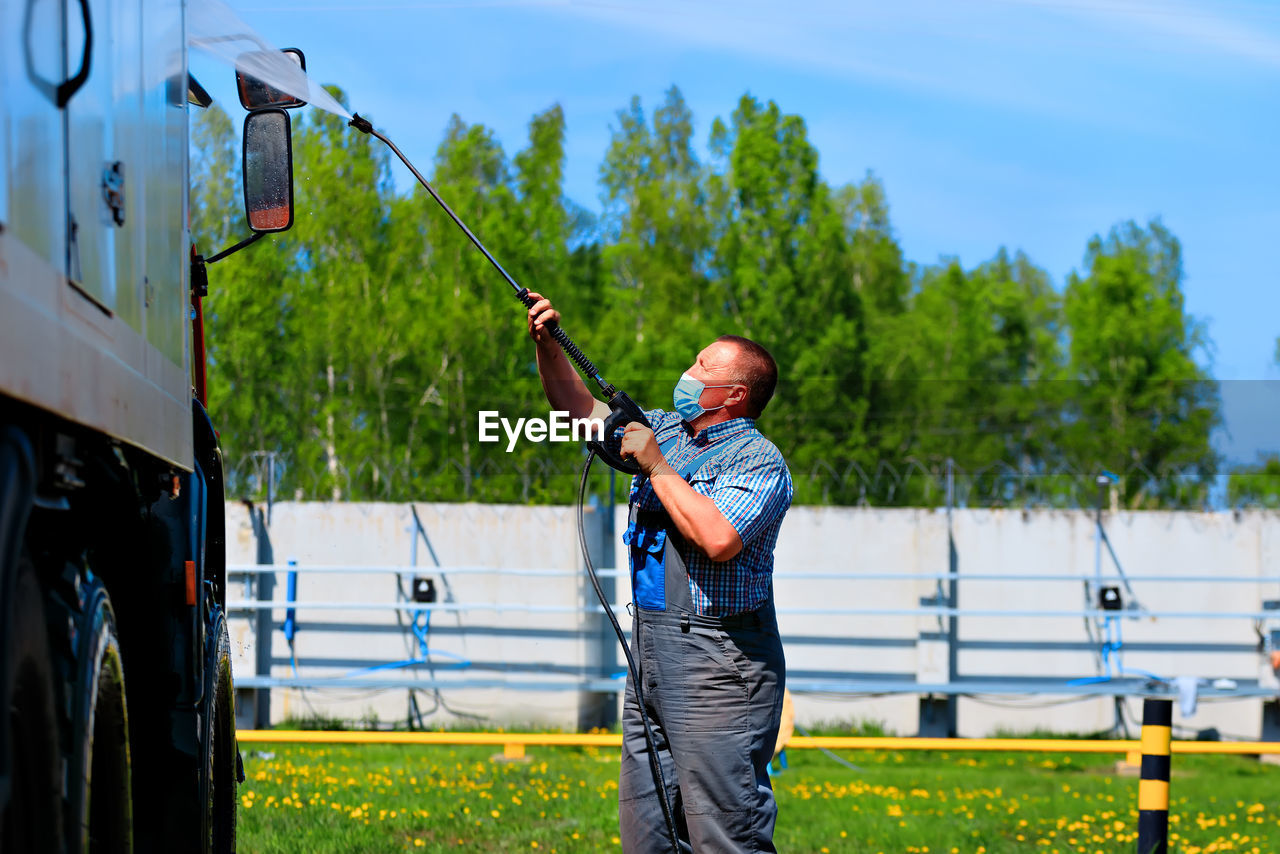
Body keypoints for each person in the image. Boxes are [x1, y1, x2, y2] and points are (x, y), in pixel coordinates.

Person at [526, 292, 793, 853]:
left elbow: (718, 538)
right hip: (650, 653)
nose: (688, 373)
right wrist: (550, 346)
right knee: (648, 833)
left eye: (703, 368)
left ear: (736, 394)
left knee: (725, 831)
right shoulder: (665, 431)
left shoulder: (759, 461)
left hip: (719, 668)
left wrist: (654, 464)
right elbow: (578, 412)